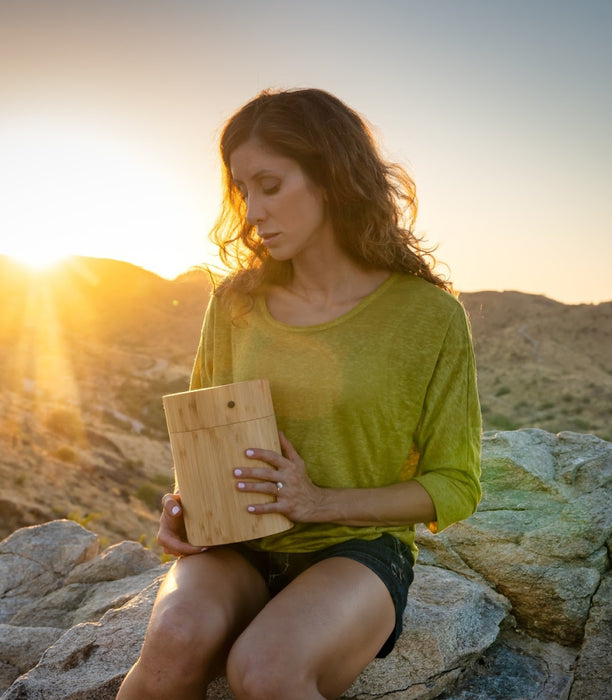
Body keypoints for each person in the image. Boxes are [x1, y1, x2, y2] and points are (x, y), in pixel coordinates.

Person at [117, 88, 481, 700]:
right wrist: (185, 509)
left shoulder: (430, 317)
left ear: (332, 179)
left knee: (266, 668)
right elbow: (204, 434)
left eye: (270, 184)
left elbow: (456, 486)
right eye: (243, 190)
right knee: (175, 638)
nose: (252, 210)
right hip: (238, 544)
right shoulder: (236, 302)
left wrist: (318, 502)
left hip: (356, 551)